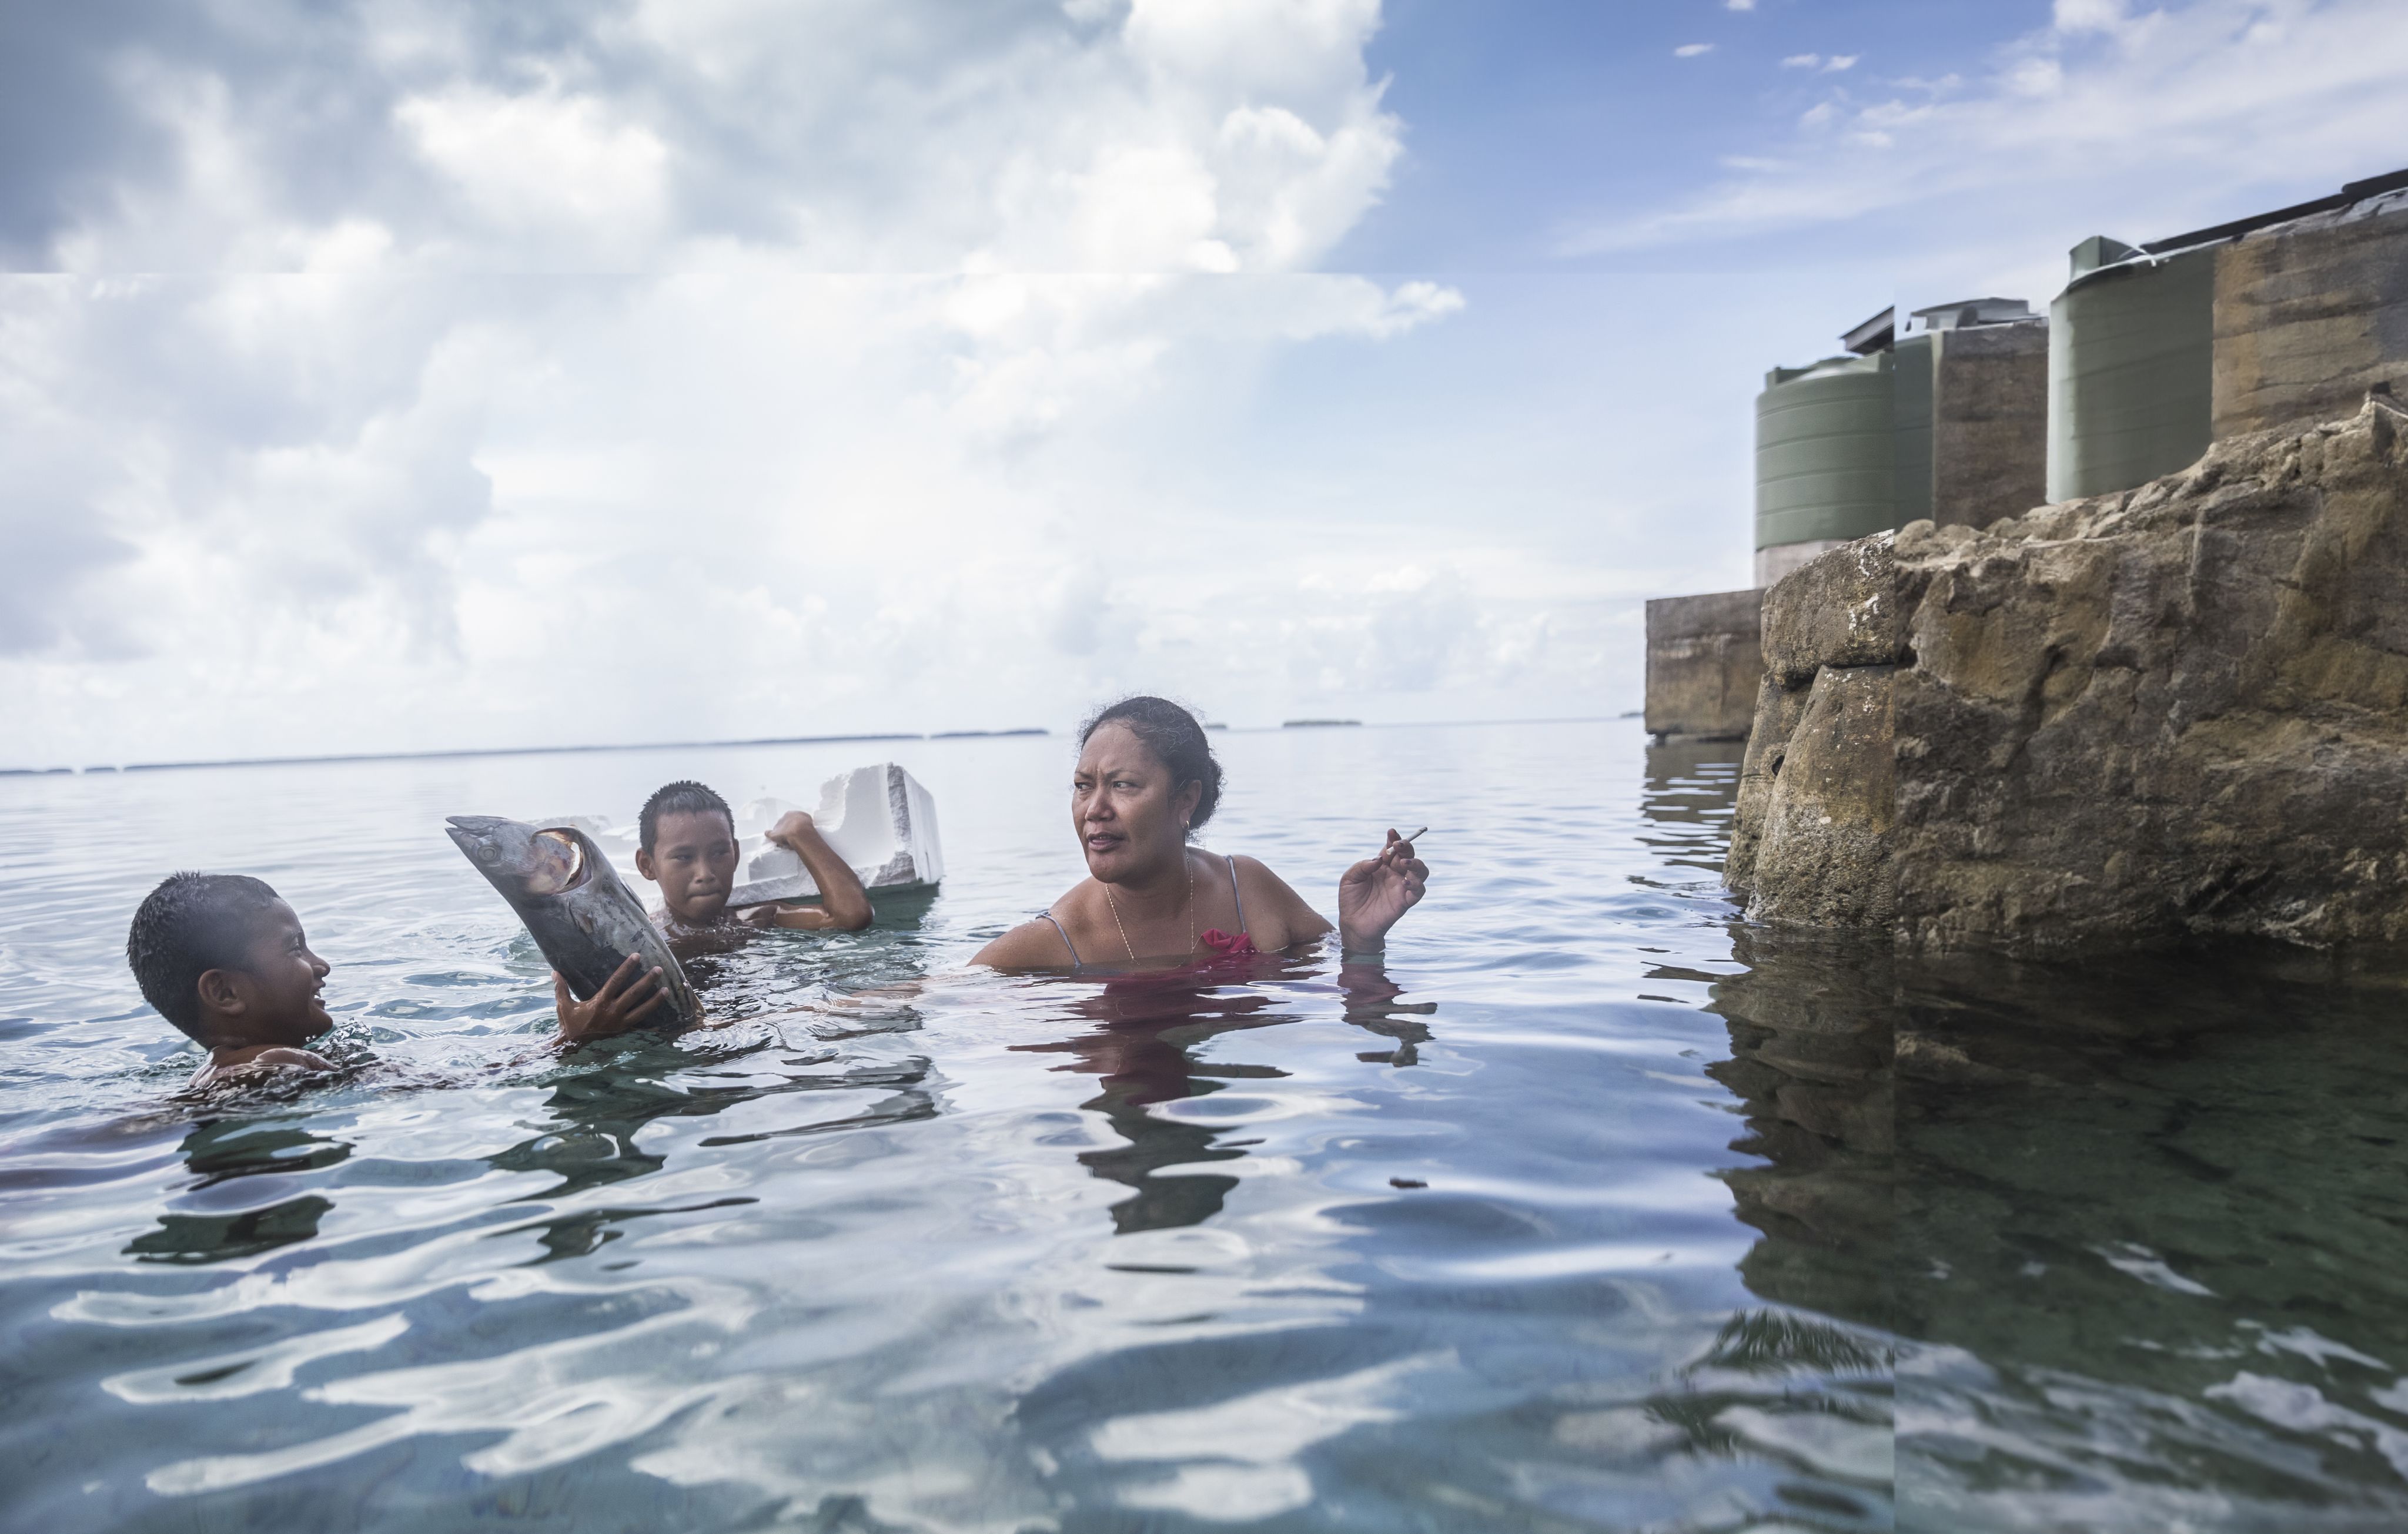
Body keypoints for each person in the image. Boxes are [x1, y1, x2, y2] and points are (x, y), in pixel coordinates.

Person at [972, 696, 1428, 971]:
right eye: (1082, 787)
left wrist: (1362, 941)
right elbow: (936, 1001)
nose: (1095, 809)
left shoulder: (1248, 890)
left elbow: (1345, 1004)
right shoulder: (1056, 941)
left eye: (1123, 785)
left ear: (1186, 800)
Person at [127, 873, 675, 1086]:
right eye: (295, 949)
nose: (321, 966)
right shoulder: (271, 1067)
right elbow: (445, 1087)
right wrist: (573, 1042)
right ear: (224, 993)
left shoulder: (222, 1071)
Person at [636, 781, 873, 954]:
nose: (705, 874)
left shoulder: (756, 918)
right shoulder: (648, 940)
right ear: (648, 866)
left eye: (720, 853)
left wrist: (801, 834)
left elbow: (851, 916)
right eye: (684, 857)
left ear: (736, 854)